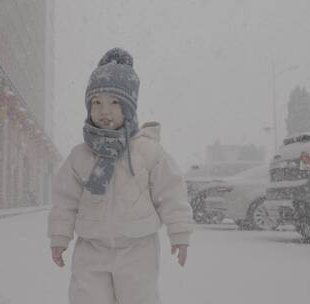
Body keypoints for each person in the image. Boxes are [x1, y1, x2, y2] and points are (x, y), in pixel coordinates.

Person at [47, 48, 194, 304]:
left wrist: (179, 232)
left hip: (137, 248)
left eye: (114, 102)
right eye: (97, 103)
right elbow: (65, 201)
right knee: (86, 297)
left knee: (139, 298)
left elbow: (171, 194)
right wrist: (60, 236)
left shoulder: (147, 151)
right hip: (91, 248)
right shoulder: (80, 156)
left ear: (128, 107)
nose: (105, 111)